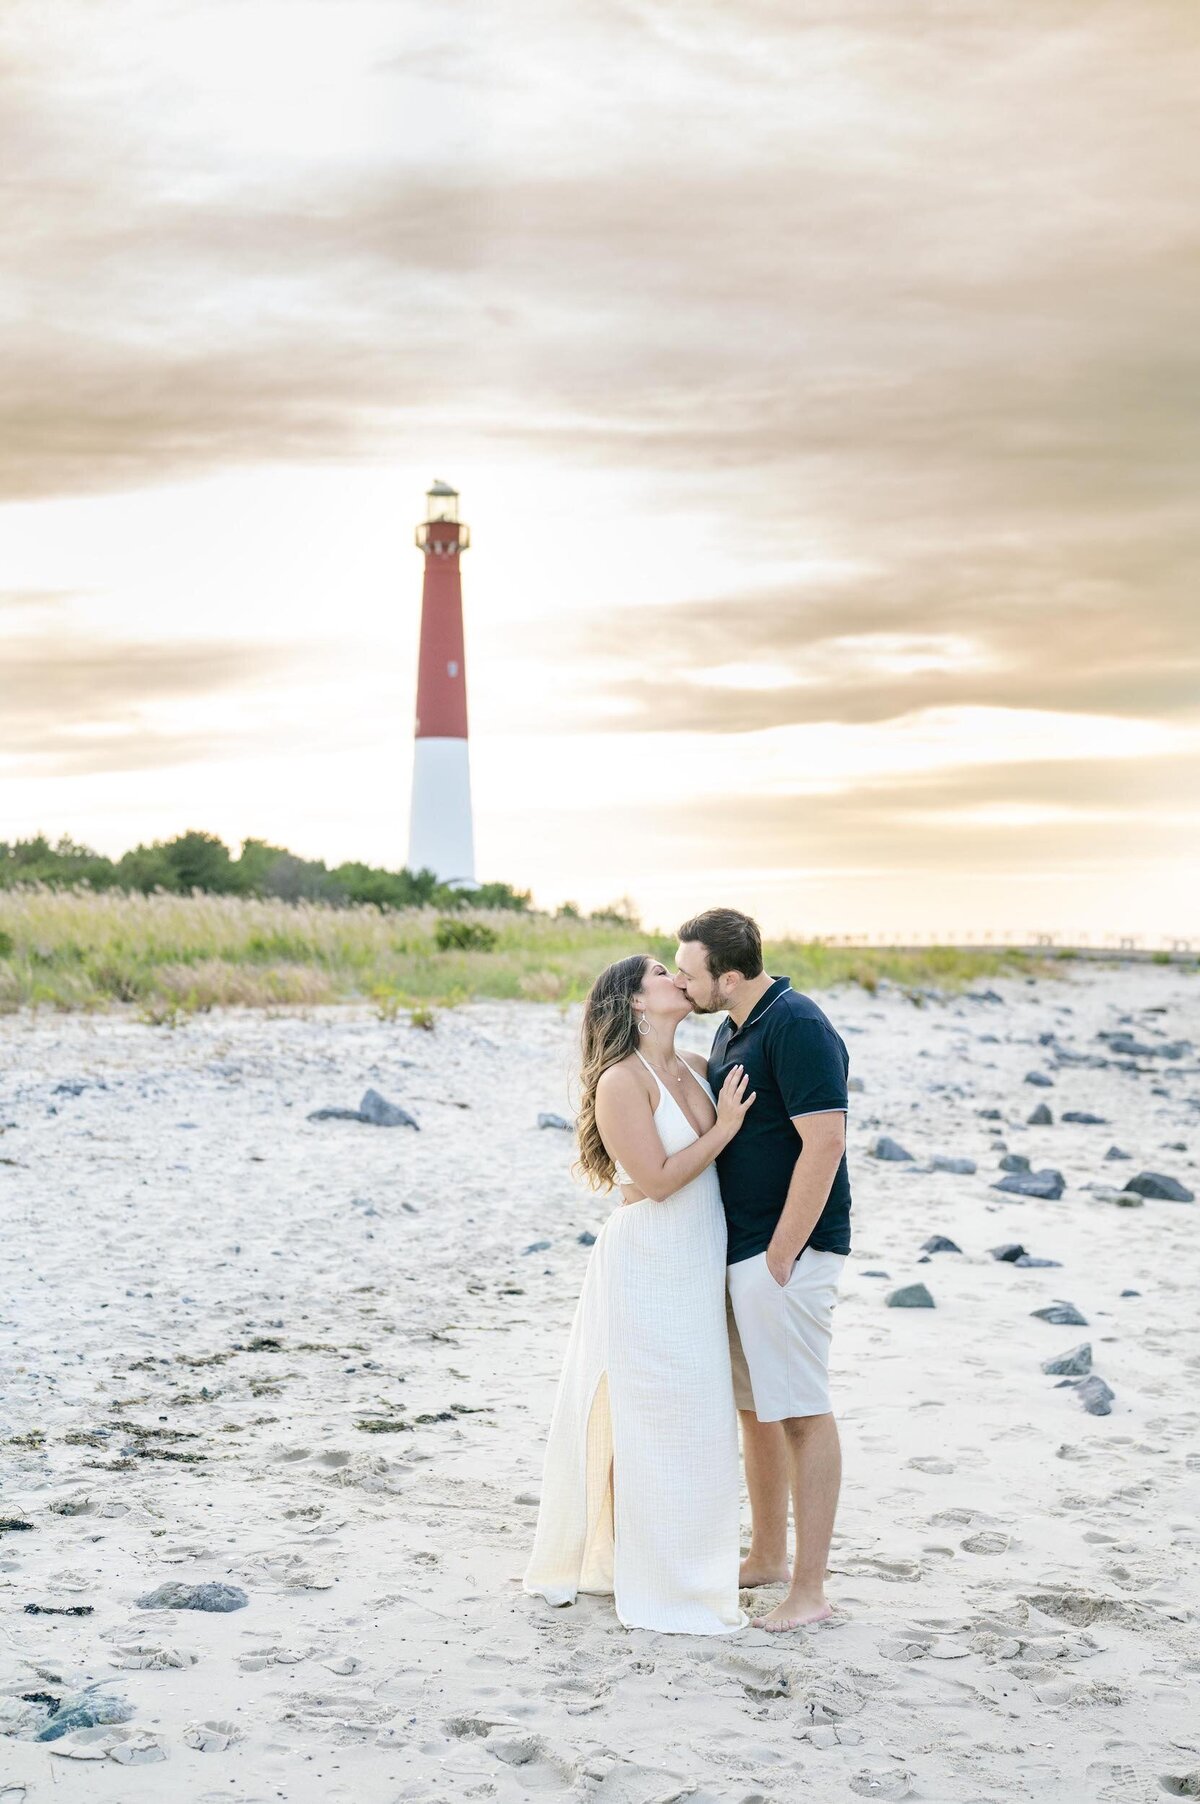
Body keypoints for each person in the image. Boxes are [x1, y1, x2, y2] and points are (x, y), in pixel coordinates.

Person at [523, 952, 755, 1634]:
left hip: (695, 1262)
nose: (675, 978)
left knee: (698, 1416)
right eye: (660, 972)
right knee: (647, 1415)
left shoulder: (699, 1067)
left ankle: (684, 1563)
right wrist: (725, 1130)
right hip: (646, 1265)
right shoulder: (622, 1080)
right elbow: (653, 1182)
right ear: (633, 1002)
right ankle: (641, 1571)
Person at [674, 908, 852, 1632]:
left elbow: (826, 1143)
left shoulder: (797, 1024)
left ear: (732, 975)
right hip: (745, 1248)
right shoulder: (730, 1029)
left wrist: (783, 1253)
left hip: (788, 1254)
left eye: (690, 974)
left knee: (802, 1413)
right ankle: (768, 1557)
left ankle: (809, 1589)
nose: (683, 984)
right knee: (757, 1412)